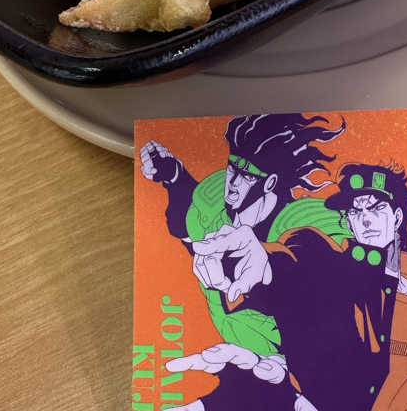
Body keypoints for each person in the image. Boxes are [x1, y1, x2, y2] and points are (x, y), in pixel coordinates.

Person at [168, 163, 407, 411]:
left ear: (397, 217)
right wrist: (262, 265)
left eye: (376, 207)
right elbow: (299, 261)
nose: (365, 219)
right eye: (356, 211)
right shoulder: (331, 273)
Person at [139, 113, 346, 356]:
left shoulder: (299, 220)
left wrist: (272, 265)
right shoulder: (213, 205)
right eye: (232, 168)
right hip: (238, 357)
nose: (233, 182)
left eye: (246, 175)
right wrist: (174, 176)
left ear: (270, 183)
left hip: (300, 362)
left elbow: (334, 262)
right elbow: (189, 221)